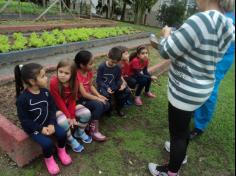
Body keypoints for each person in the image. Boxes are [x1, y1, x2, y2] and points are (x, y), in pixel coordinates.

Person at [148, 0, 235, 175]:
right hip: (201, 88)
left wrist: (165, 35)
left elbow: (166, 51)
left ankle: (171, 171)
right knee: (183, 128)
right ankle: (179, 155)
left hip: (184, 90)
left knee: (178, 134)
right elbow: (206, 52)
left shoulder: (201, 20)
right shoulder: (228, 24)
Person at [15, 63, 72, 175]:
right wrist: (40, 129)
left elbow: (52, 108)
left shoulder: (46, 92)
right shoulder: (23, 99)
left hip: (48, 123)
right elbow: (25, 121)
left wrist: (51, 123)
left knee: (62, 134)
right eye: (43, 76)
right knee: (47, 144)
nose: (47, 78)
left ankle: (61, 151)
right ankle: (49, 159)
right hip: (34, 128)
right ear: (32, 81)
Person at [190, 10, 235, 139]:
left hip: (223, 56)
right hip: (207, 52)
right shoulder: (214, 11)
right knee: (198, 82)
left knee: (210, 88)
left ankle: (200, 126)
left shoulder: (230, 15)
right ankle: (194, 109)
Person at [50, 59, 92, 153]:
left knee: (86, 113)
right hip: (57, 108)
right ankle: (70, 139)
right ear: (57, 70)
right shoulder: (53, 83)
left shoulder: (75, 82)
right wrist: (69, 116)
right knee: (63, 121)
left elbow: (73, 99)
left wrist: (72, 115)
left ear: (72, 75)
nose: (62, 75)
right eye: (60, 71)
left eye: (66, 73)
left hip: (69, 106)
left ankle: (79, 132)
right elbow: (59, 101)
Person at [74, 50, 110, 142]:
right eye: (91, 63)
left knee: (106, 104)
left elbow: (90, 86)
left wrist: (99, 95)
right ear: (82, 65)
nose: (93, 65)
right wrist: (97, 98)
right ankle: (93, 131)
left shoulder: (89, 72)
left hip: (88, 97)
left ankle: (89, 123)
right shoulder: (77, 75)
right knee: (98, 104)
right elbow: (83, 94)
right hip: (80, 100)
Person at [96, 46, 131, 117]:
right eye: (112, 62)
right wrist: (106, 87)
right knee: (106, 95)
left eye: (116, 63)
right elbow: (99, 80)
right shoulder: (102, 67)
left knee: (126, 91)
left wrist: (121, 85)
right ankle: (108, 111)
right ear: (108, 56)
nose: (113, 64)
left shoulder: (118, 67)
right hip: (104, 86)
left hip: (113, 85)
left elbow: (118, 79)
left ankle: (119, 108)